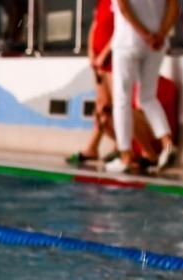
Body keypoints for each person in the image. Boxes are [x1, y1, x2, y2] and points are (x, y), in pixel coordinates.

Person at [107, 0, 178, 172]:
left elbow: (123, 7)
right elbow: (174, 6)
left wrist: (144, 34)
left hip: (128, 41)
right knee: (148, 97)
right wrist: (160, 34)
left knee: (122, 98)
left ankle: (126, 157)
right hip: (157, 44)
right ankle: (167, 143)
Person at [69, 0, 117, 165]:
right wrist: (90, 51)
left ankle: (120, 146)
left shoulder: (123, 3)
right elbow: (95, 25)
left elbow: (121, 30)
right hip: (98, 60)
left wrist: (104, 53)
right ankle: (93, 148)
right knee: (102, 106)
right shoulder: (103, 2)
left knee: (117, 106)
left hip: (113, 59)